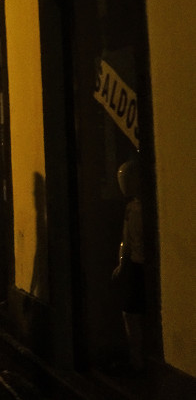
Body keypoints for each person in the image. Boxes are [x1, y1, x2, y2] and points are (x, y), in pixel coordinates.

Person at [112, 158, 146, 373]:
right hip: (134, 264)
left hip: (138, 264)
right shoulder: (132, 207)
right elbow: (126, 240)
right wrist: (122, 263)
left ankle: (139, 361)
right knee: (131, 313)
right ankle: (137, 359)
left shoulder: (140, 209)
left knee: (133, 313)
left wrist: (123, 263)